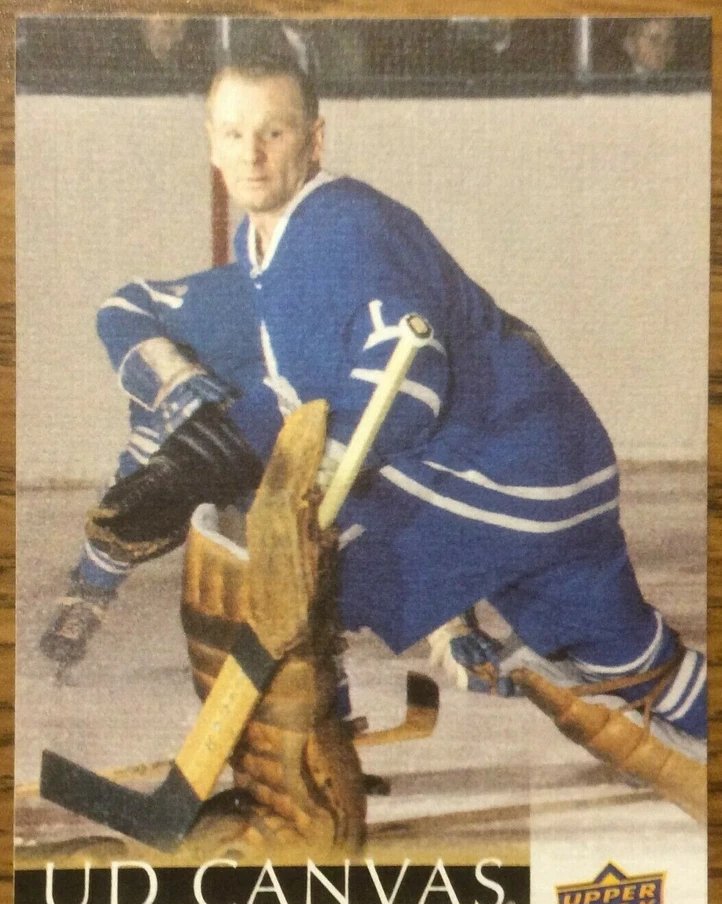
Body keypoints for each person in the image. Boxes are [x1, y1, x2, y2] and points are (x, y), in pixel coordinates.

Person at [41, 55, 705, 757]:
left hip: (500, 473)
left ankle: (304, 777)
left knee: (285, 585)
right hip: (555, 466)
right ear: (212, 143)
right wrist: (199, 458)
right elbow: (301, 395)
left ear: (314, 140)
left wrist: (310, 484)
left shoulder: (343, 229)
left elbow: (411, 378)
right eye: (235, 135)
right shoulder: (271, 240)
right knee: (631, 657)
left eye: (273, 134)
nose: (253, 155)